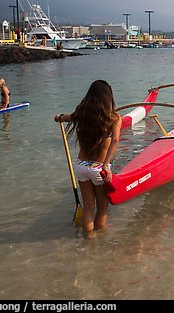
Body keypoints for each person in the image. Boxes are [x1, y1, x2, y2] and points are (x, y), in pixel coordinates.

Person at [54, 80, 122, 234]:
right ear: (109, 98)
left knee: (88, 207)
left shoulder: (81, 114)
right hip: (98, 168)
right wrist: (106, 166)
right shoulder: (115, 118)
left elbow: (64, 117)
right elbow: (116, 140)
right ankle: (99, 240)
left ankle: (89, 239)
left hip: (80, 166)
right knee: (102, 207)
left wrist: (59, 117)